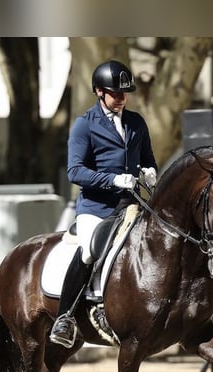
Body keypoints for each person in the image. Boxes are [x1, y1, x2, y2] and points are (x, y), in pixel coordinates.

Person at [50, 59, 158, 348]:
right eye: (115, 93)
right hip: (96, 208)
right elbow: (75, 171)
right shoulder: (85, 125)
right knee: (89, 251)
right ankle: (65, 317)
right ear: (99, 91)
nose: (121, 98)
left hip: (131, 205)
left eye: (124, 93)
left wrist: (149, 171)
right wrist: (112, 180)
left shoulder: (136, 122)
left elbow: (147, 159)